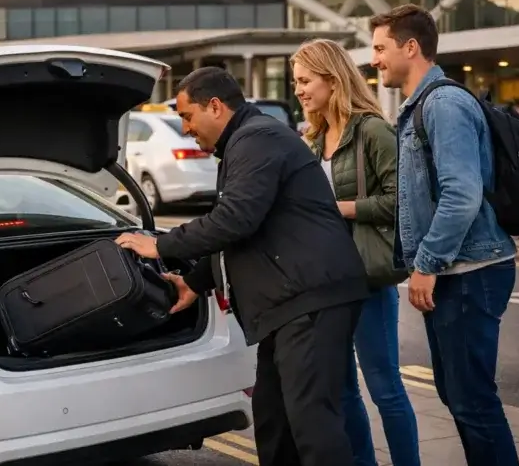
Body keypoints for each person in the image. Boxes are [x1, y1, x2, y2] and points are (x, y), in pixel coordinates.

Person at [115, 66, 369, 466]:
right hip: (287, 304)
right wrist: (195, 282)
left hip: (310, 301)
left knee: (313, 429)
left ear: (214, 106)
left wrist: (159, 245)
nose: (184, 129)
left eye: (186, 116)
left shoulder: (257, 139)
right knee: (274, 421)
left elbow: (235, 219)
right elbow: (237, 233)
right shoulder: (244, 142)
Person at [368, 4, 519, 466]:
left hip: (469, 271)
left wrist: (426, 265)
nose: (374, 59)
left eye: (380, 48)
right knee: (461, 398)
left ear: (410, 47)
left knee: (473, 402)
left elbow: (461, 194)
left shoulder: (444, 104)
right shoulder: (422, 105)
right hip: (460, 269)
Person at [291, 38, 420, 466]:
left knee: (385, 387)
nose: (299, 90)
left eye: (306, 80)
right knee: (342, 387)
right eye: (296, 82)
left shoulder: (373, 130)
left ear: (332, 78)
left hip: (367, 274)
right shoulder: (314, 138)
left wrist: (340, 208)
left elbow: (402, 200)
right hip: (327, 279)